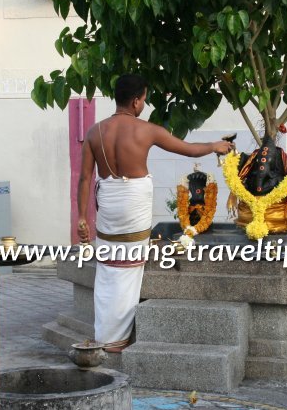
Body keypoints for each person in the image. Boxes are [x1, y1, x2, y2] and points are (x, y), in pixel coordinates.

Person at [77, 74, 233, 352]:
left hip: (108, 208)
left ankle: (104, 334)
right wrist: (214, 146)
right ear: (136, 100)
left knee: (109, 266)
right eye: (144, 99)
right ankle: (116, 341)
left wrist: (81, 217)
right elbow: (188, 150)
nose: (144, 105)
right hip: (133, 204)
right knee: (129, 268)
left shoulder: (94, 132)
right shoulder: (146, 129)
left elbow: (85, 179)